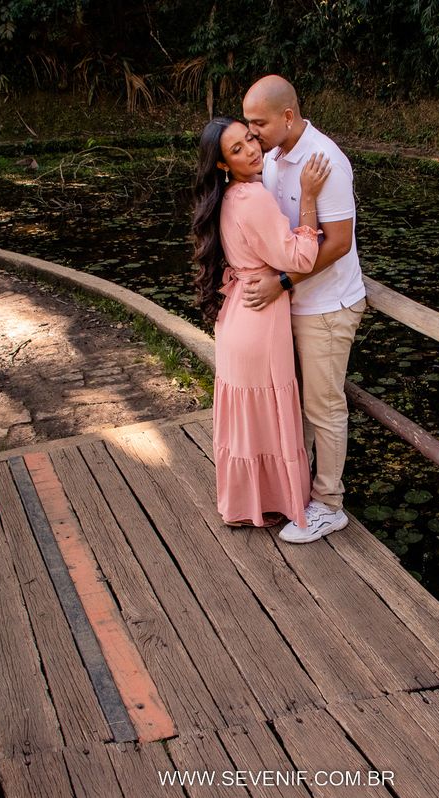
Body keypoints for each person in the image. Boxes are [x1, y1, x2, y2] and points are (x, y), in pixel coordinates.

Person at [242, 75, 366, 544]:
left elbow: (337, 244)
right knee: (292, 404)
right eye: (248, 126)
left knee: (323, 406)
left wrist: (283, 282)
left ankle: (330, 505)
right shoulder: (273, 158)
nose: (252, 134)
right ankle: (296, 490)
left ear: (288, 116)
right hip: (290, 303)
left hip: (326, 306)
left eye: (259, 124)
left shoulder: (326, 160)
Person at [191, 116, 331, 528]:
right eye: (238, 149)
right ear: (222, 164)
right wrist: (308, 196)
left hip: (236, 313)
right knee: (265, 413)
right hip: (259, 318)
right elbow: (301, 257)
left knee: (245, 417)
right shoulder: (252, 198)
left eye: (251, 138)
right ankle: (268, 505)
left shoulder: (230, 197)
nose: (252, 149)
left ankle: (243, 504)